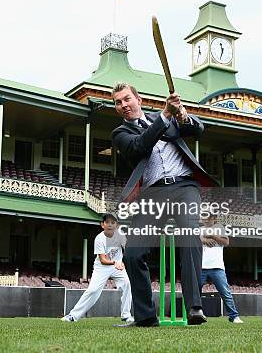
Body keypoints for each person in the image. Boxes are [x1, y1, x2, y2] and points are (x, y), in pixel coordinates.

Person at [111, 82, 217, 327]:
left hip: (184, 187)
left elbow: (197, 129)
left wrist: (182, 114)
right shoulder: (121, 133)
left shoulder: (167, 118)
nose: (124, 105)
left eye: (127, 99)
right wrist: (166, 114)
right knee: (134, 253)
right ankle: (146, 317)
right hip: (152, 193)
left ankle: (195, 308)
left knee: (190, 238)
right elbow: (140, 146)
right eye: (118, 102)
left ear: (138, 98)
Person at [61, 213, 133, 323]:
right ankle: (73, 316)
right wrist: (115, 262)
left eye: (113, 223)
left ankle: (126, 315)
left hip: (117, 266)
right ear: (102, 225)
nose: (110, 224)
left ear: (117, 225)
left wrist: (123, 262)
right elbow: (103, 260)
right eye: (107, 222)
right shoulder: (99, 239)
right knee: (93, 290)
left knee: (127, 284)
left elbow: (127, 249)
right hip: (102, 267)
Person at [200, 214, 243, 324]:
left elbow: (226, 242)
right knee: (196, 292)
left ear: (214, 219)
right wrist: (204, 240)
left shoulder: (219, 228)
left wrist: (213, 236)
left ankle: (234, 316)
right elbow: (194, 240)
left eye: (209, 218)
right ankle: (196, 314)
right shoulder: (199, 229)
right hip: (201, 266)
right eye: (204, 218)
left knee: (225, 292)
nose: (206, 220)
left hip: (217, 267)